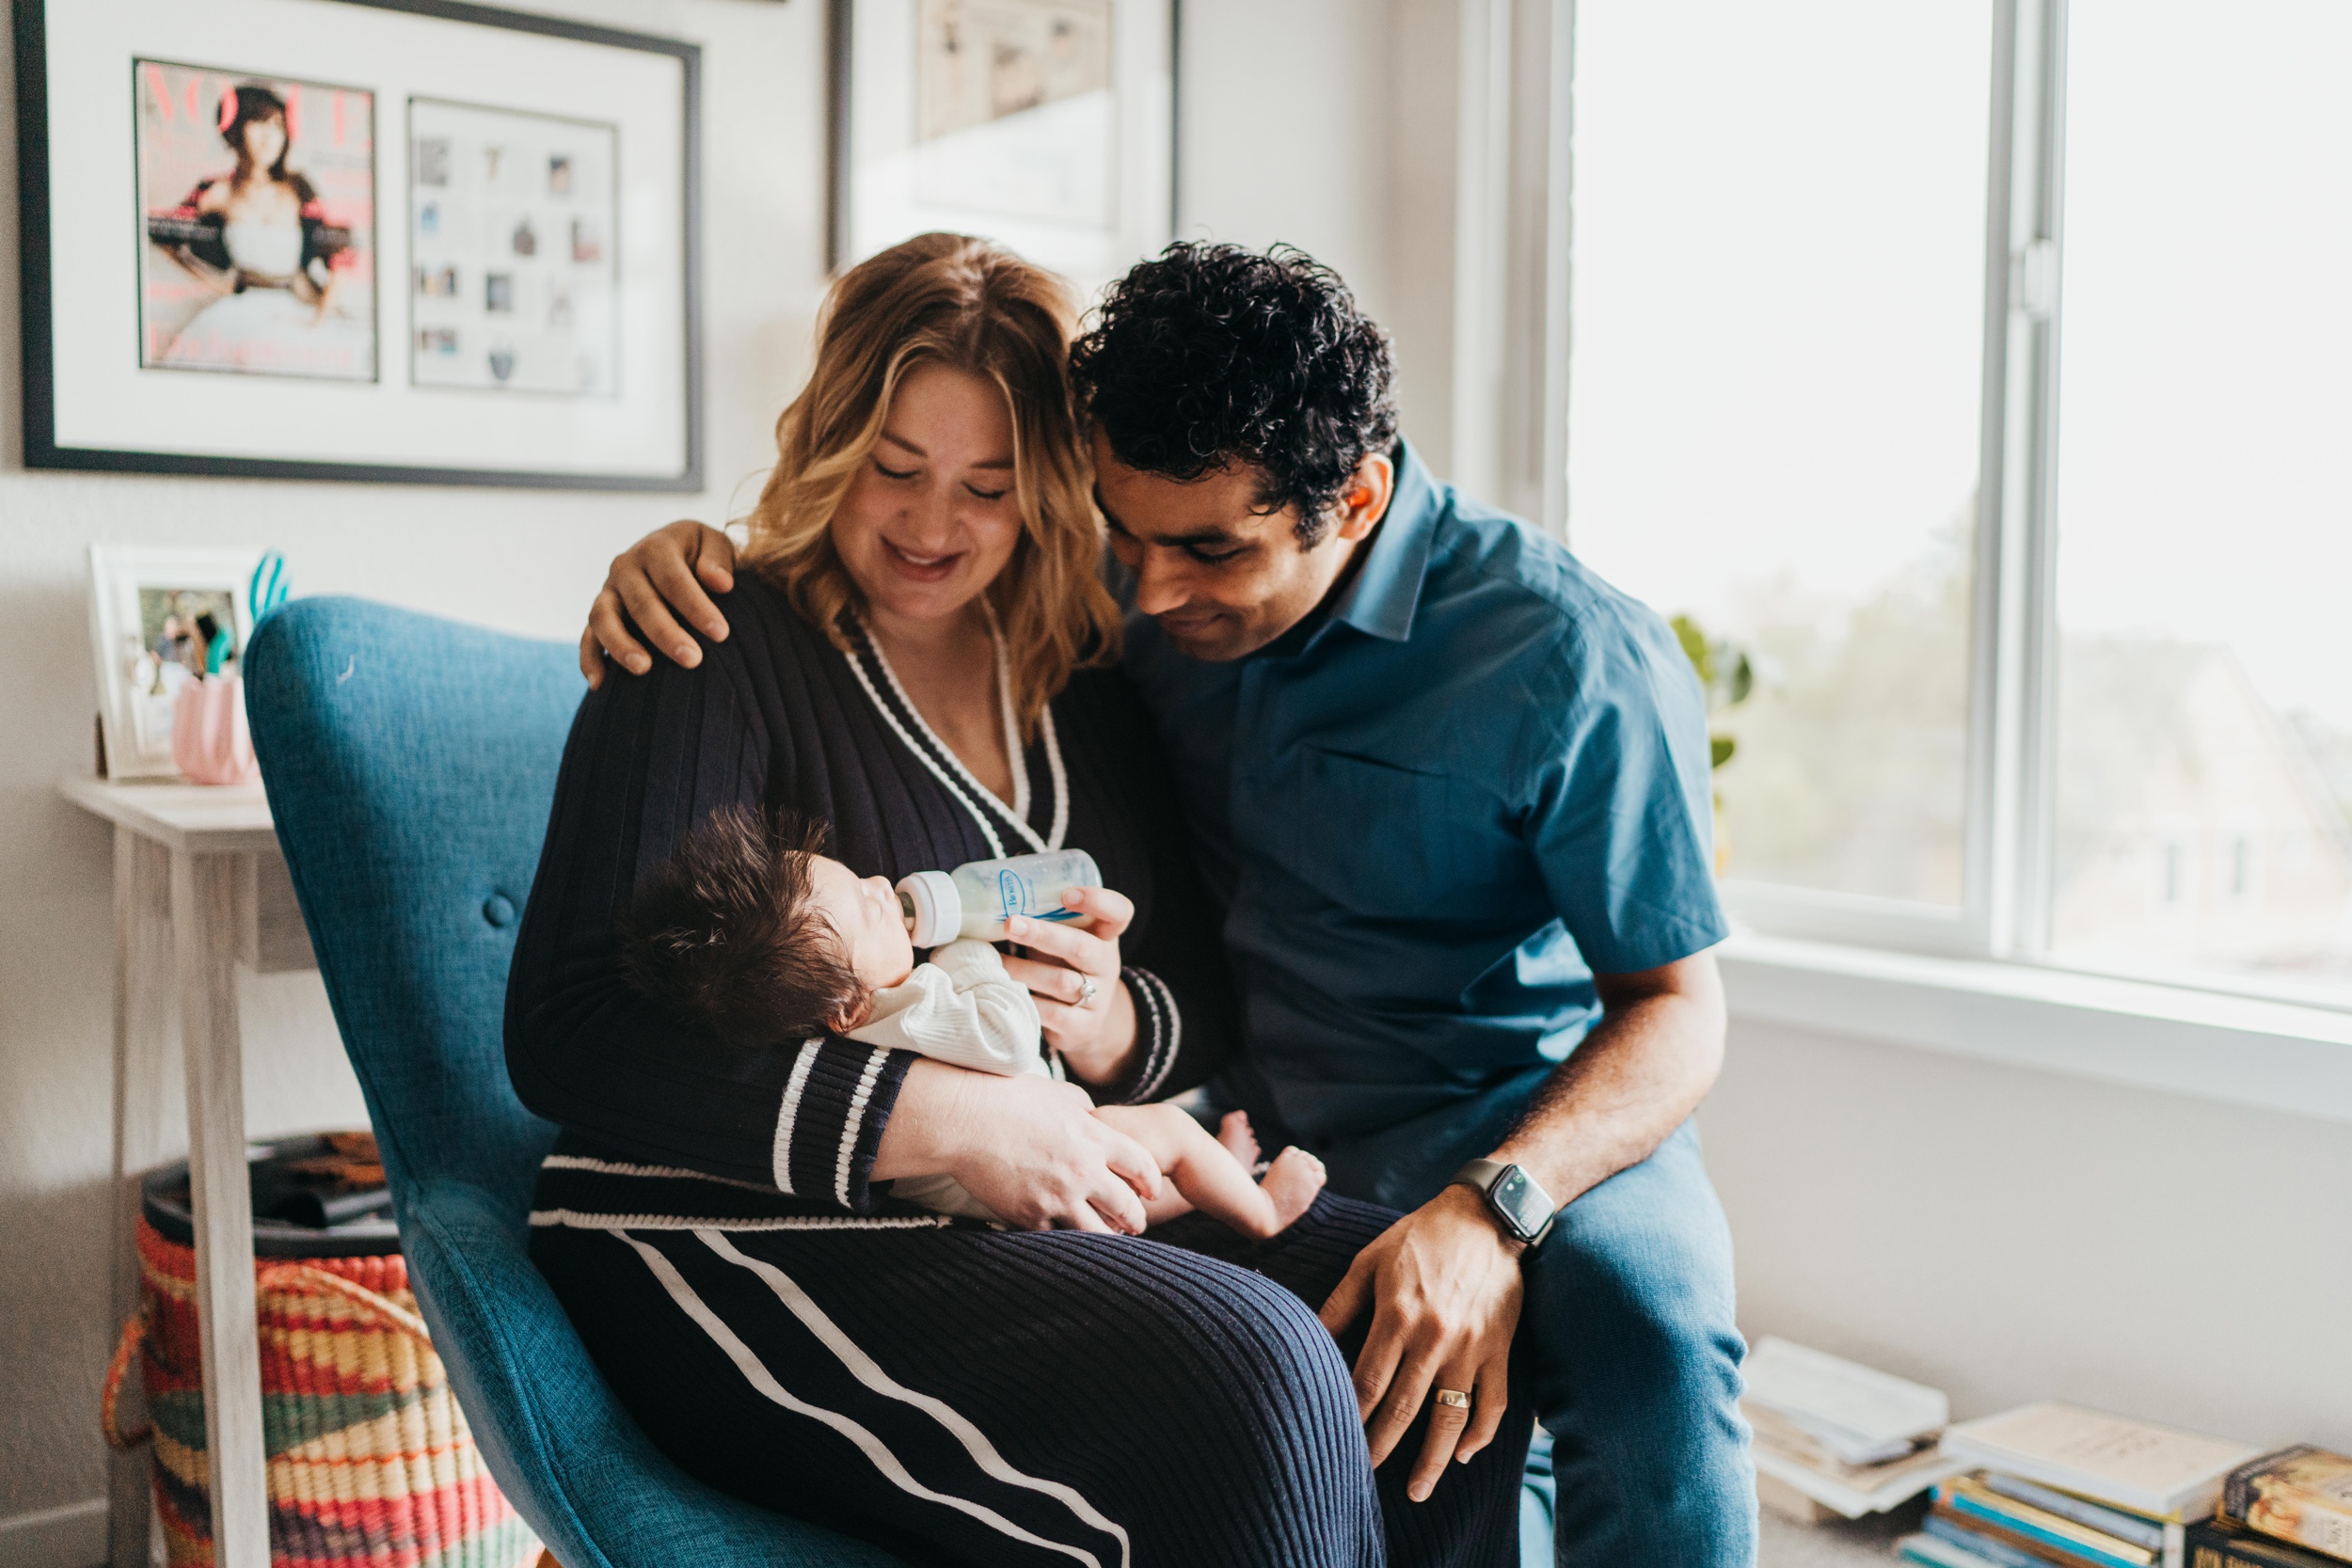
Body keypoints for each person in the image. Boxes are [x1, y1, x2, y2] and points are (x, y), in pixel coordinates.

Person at [588, 242, 1756, 1567]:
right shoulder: (1107, 604)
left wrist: (1496, 1204)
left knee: (1646, 1330)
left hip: (1526, 1109)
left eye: (1209, 550)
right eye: (1119, 534)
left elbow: (1677, 1006)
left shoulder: (1566, 654)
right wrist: (680, 549)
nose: (1146, 593)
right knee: (1369, 1398)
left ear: (1357, 499)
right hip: (1269, 1113)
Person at [617, 802, 1327, 1233]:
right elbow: (1009, 1037)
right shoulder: (911, 1009)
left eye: (855, 874)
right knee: (1166, 1131)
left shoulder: (860, 1015)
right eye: (868, 906)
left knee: (1133, 1170)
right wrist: (966, 946)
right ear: (847, 1006)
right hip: (1005, 1192)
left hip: (1002, 1193)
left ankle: (1207, 1185)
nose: (877, 883)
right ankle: (1261, 1210)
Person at [148, 85, 368, 375]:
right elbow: (163, 231)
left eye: (277, 126)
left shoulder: (298, 189)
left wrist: (320, 317)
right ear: (237, 130)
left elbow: (339, 253)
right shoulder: (218, 191)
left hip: (295, 304)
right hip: (242, 311)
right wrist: (214, 282)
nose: (269, 137)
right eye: (259, 123)